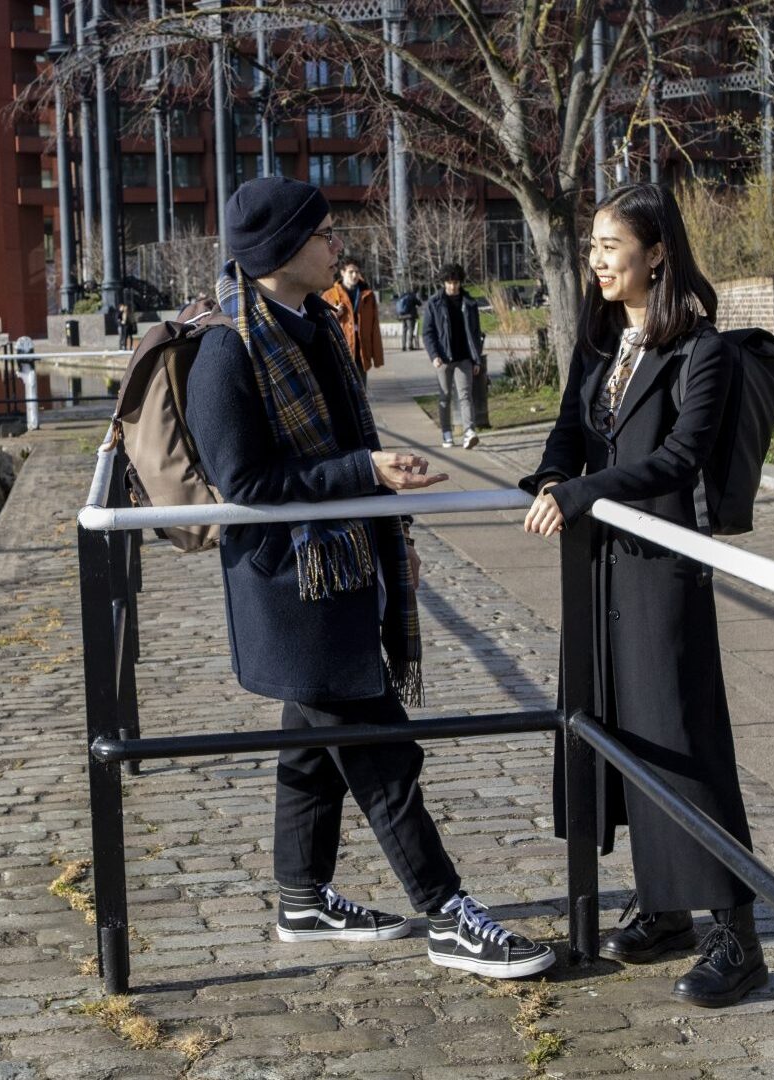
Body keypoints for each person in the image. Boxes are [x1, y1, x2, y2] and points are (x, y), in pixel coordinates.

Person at [184, 176, 555, 980]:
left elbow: (341, 450)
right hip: (293, 589)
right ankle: (447, 914)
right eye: (323, 235)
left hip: (341, 570)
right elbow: (248, 486)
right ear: (284, 249)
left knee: (313, 749)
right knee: (383, 755)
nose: (336, 247)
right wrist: (366, 472)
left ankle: (303, 900)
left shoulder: (314, 322)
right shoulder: (228, 348)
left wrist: (391, 525)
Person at [517, 183, 765, 1008]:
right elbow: (565, 436)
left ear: (655, 253)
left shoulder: (702, 352)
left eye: (608, 247)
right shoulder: (597, 346)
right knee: (616, 733)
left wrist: (587, 494)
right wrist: (556, 477)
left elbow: (683, 456)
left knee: (682, 741)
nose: (594, 262)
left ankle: (737, 930)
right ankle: (666, 909)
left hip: (660, 572)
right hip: (598, 573)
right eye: (590, 247)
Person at [421, 264, 486, 449]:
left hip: (464, 358)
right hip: (442, 359)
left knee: (466, 396)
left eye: (455, 282)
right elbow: (427, 332)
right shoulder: (435, 303)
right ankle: (446, 433)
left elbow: (475, 332)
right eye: (449, 282)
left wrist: (476, 359)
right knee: (445, 396)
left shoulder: (469, 303)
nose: (452, 286)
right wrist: (434, 355)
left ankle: (469, 432)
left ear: (460, 282)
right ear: (444, 283)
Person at [323, 255, 386, 383]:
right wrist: (332, 314)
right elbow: (319, 324)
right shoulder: (329, 295)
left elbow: (374, 327)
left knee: (362, 394)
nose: (354, 275)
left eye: (357, 272)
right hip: (340, 355)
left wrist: (377, 357)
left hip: (361, 354)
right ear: (342, 273)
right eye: (350, 272)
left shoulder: (368, 295)